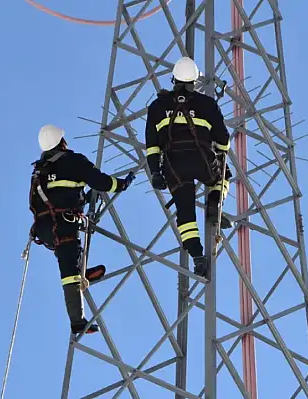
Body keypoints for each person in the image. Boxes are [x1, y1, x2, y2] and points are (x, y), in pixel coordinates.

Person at [28, 124, 135, 335]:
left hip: (44, 228)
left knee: (68, 263)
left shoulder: (39, 170)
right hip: (64, 224)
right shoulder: (73, 160)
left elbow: (53, 196)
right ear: (62, 141)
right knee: (68, 270)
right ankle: (77, 320)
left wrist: (82, 200)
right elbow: (101, 181)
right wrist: (121, 184)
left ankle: (80, 275)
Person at [144, 56, 233, 279]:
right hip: (202, 159)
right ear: (194, 81)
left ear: (173, 80)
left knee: (185, 214)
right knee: (223, 174)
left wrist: (155, 172)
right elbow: (223, 139)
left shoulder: (157, 106)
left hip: (174, 166)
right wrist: (220, 152)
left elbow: (152, 146)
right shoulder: (207, 103)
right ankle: (214, 203)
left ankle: (197, 257)